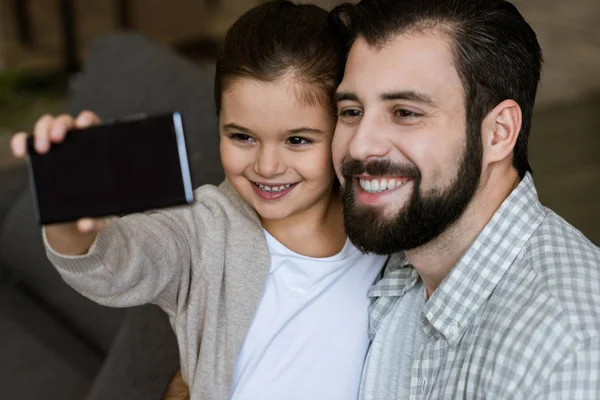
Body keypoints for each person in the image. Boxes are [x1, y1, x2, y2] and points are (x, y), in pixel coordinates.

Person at [10, 1, 386, 399]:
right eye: (242, 136)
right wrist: (69, 219)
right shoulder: (203, 231)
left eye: (297, 140)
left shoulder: (380, 226)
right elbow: (119, 261)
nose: (268, 165)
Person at [328, 0, 600, 398]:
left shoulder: (571, 349)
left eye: (405, 112)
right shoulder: (400, 260)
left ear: (498, 133)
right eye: (351, 111)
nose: (360, 144)